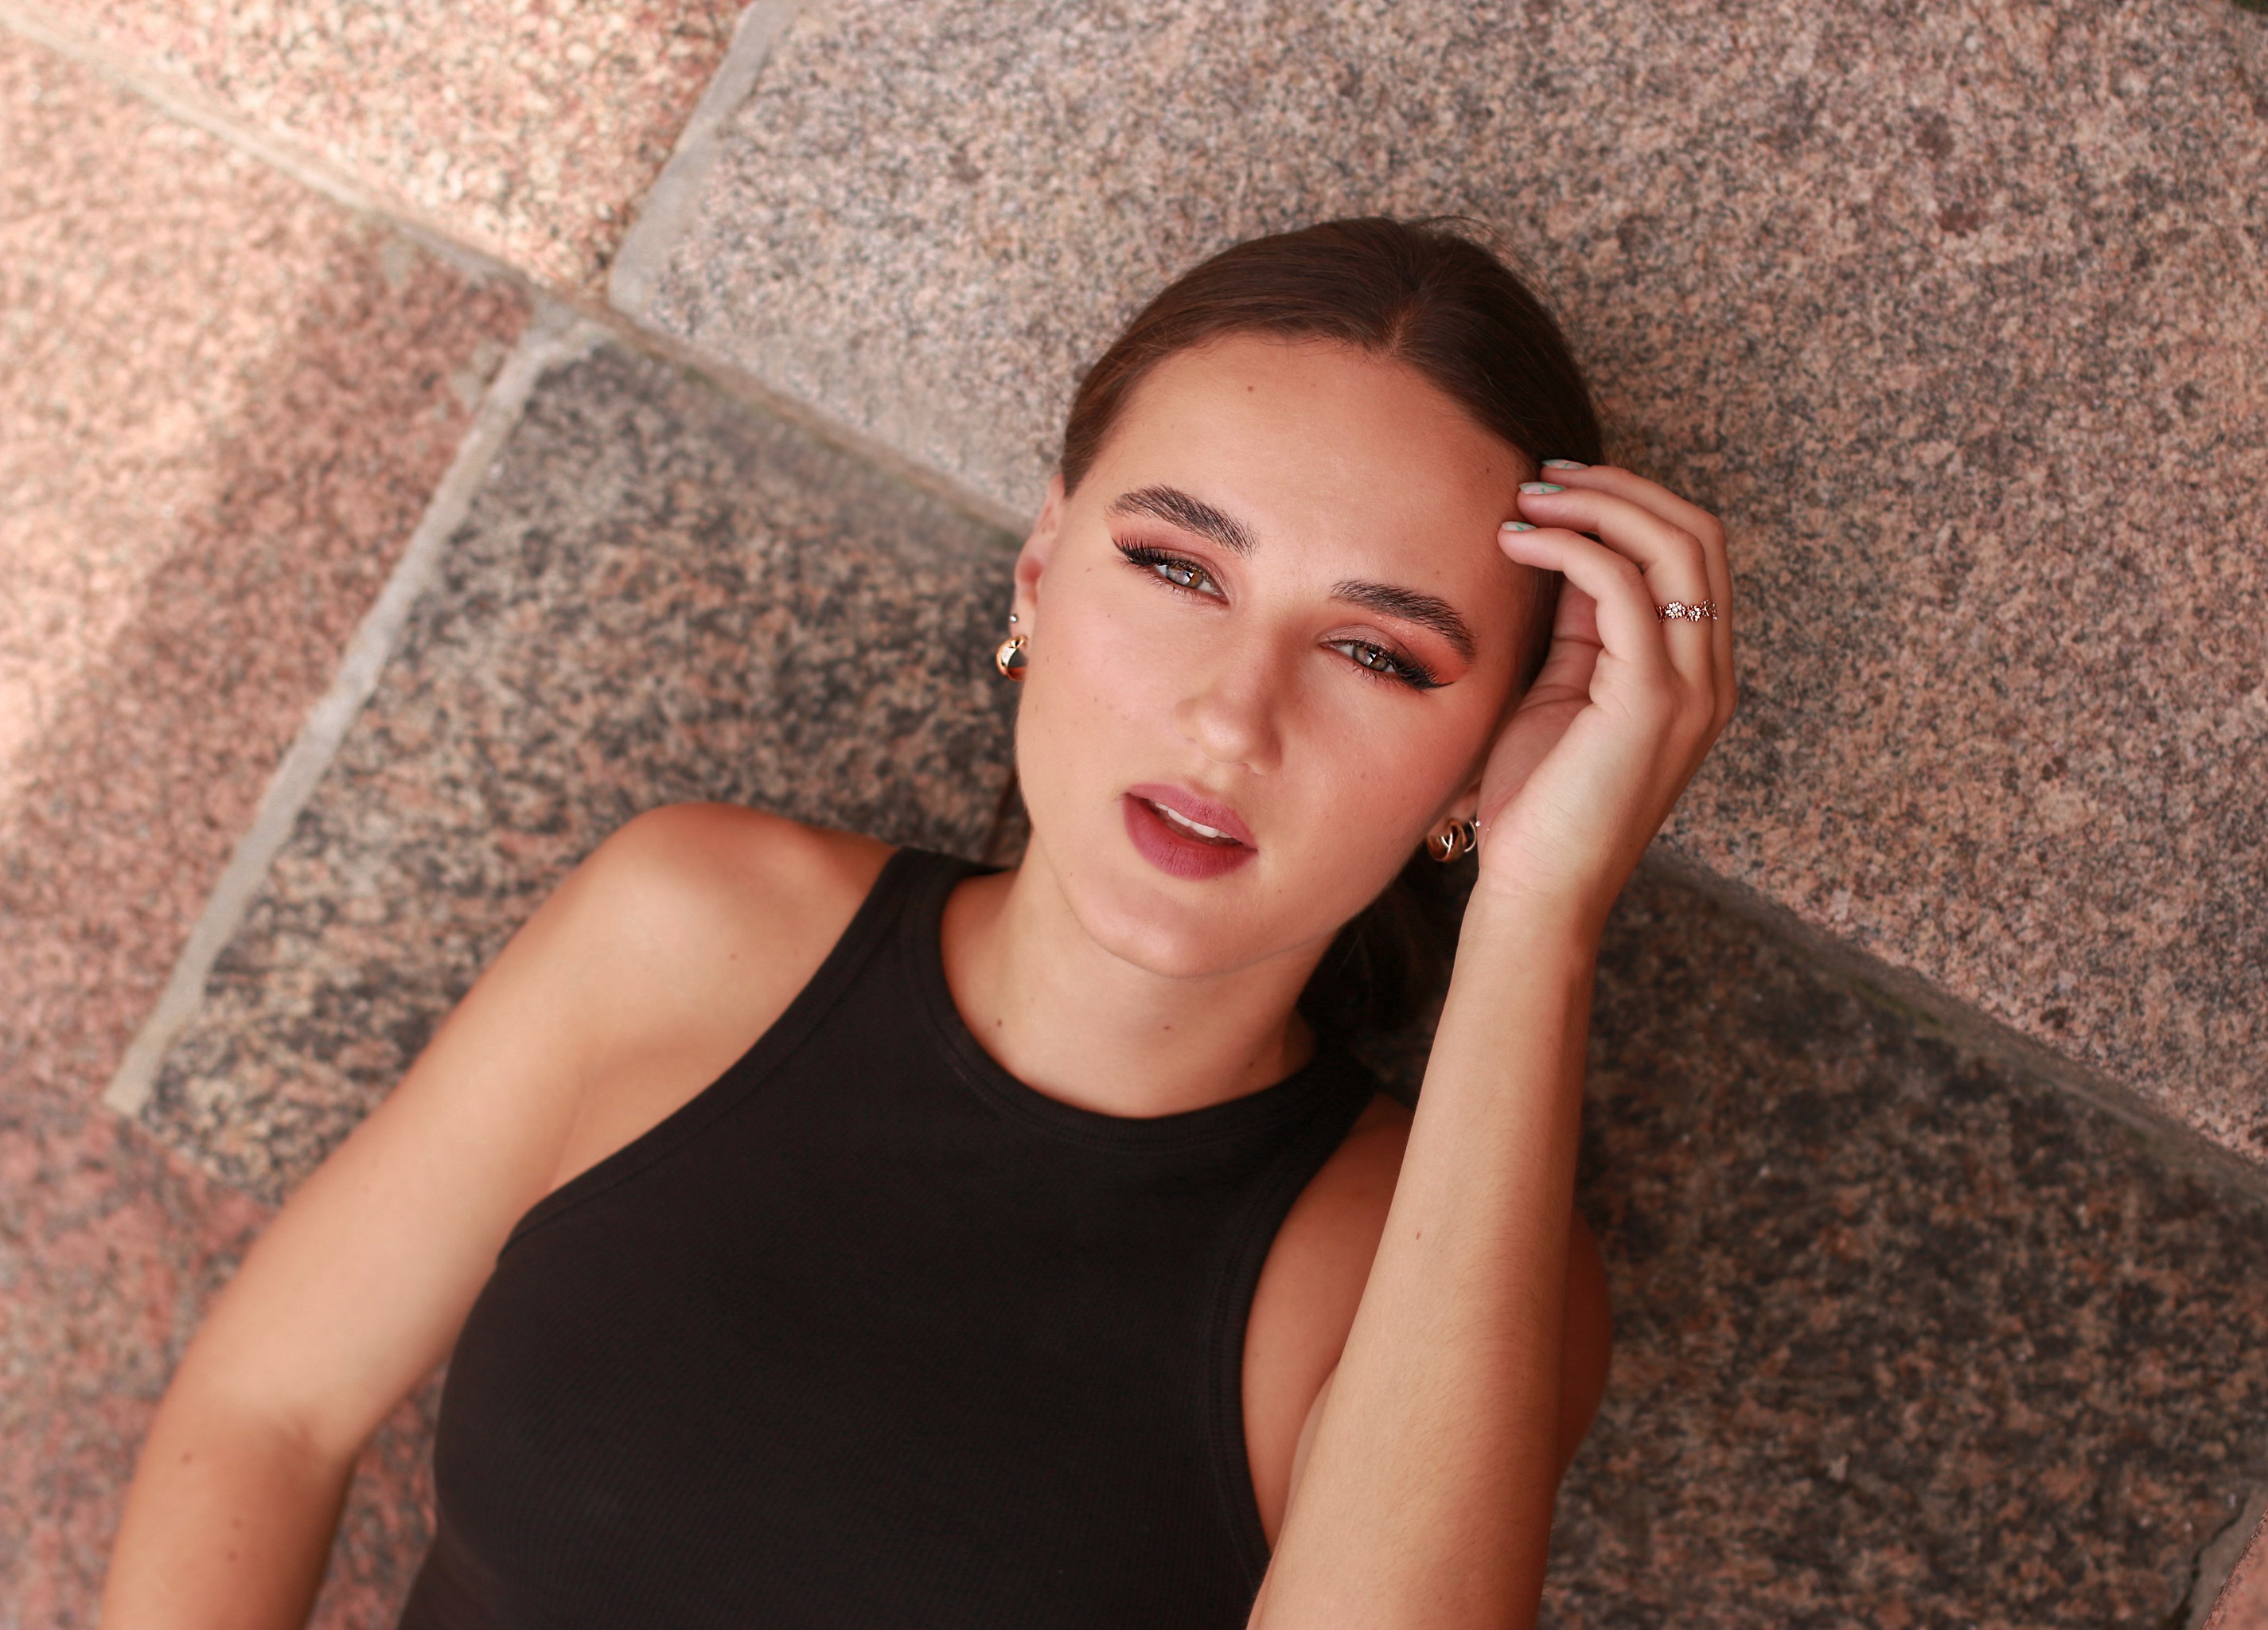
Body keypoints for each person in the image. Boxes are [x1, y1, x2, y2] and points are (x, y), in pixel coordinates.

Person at [99, 216, 1733, 1629]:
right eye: (1175, 565)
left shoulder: (1422, 1273)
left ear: (1497, 745)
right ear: (1038, 568)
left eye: (1382, 654)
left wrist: (1543, 909)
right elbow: (265, 1412)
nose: (1232, 721)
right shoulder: (694, 934)